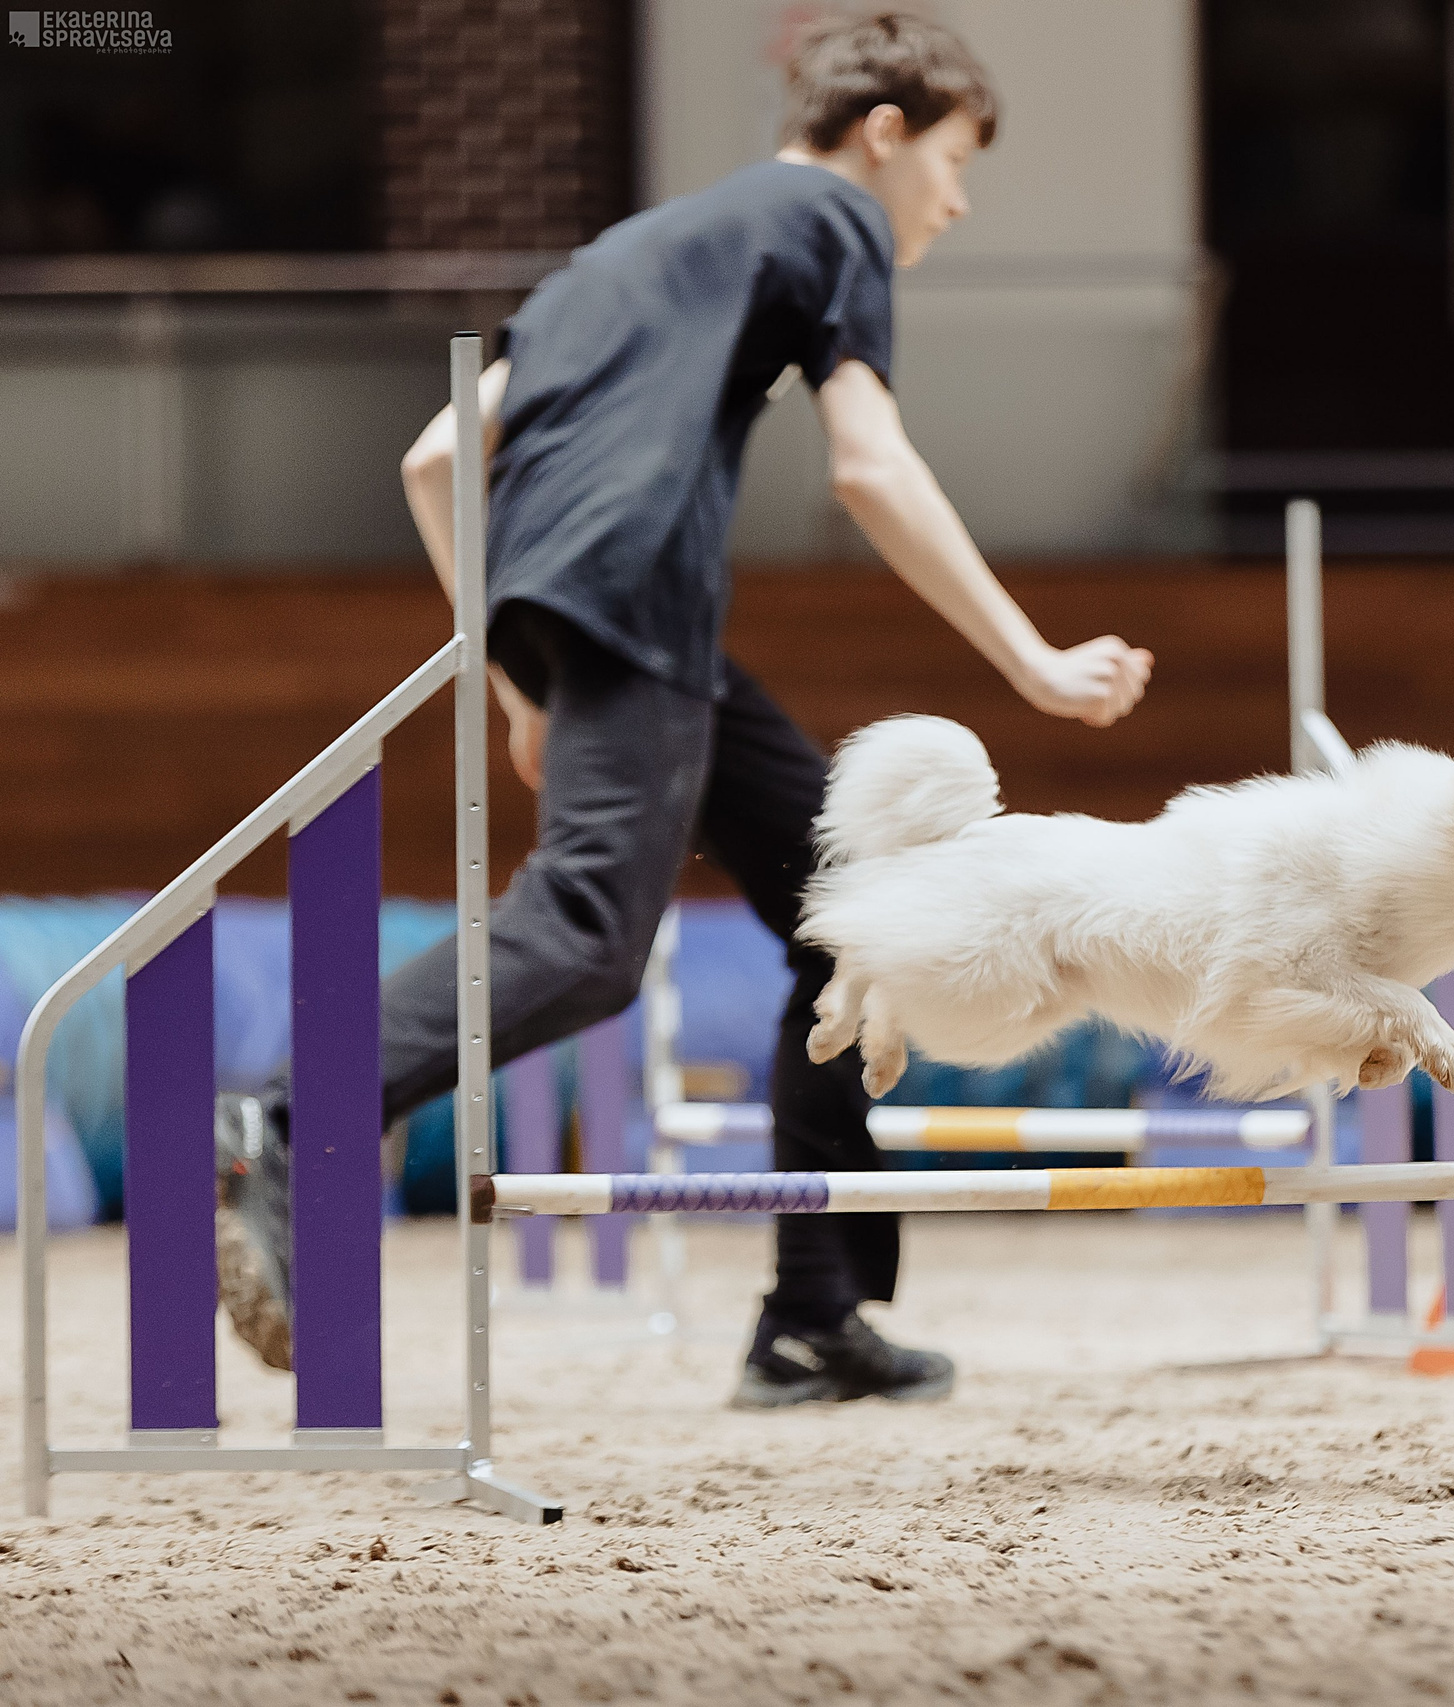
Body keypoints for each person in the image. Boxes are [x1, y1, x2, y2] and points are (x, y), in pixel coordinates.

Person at [213, 11, 1152, 1408]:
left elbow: (432, 461)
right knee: (591, 936)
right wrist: (1030, 660)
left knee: (853, 916)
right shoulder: (830, 218)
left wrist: (522, 675)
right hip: (639, 593)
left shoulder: (626, 252)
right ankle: (281, 1124)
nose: (955, 204)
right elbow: (871, 468)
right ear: (884, 134)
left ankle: (813, 1313)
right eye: (955, 163)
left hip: (573, 606)